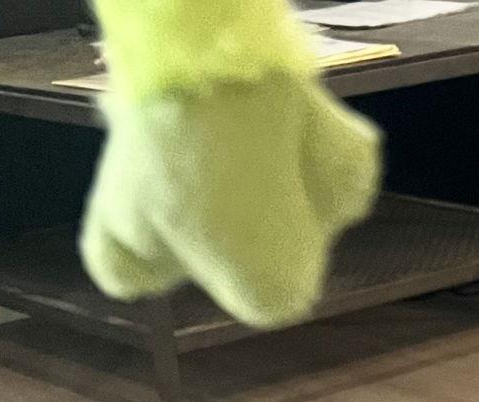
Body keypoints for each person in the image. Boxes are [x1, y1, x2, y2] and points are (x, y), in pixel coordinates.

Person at [79, 0, 382, 327]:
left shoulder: (149, 105)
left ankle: (122, 255)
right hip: (256, 249)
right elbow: (348, 163)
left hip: (141, 169)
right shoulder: (276, 87)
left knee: (119, 257)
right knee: (272, 289)